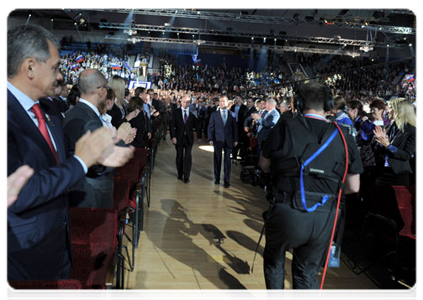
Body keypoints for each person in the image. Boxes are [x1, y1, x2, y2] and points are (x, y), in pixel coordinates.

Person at [5, 24, 132, 281]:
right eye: (54, 68)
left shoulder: (49, 113)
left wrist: (98, 155)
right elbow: (20, 192)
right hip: (21, 260)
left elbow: (58, 171)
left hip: (58, 248)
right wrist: (81, 161)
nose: (61, 76)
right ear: (30, 68)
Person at [259, 82, 363, 300]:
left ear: (296, 103)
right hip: (325, 217)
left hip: (288, 208)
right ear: (328, 105)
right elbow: (354, 187)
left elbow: (264, 165)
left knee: (274, 261)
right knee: (307, 272)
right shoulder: (344, 134)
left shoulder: (285, 125)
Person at [63, 69, 134, 209]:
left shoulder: (79, 112)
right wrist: (121, 138)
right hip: (91, 198)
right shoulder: (85, 118)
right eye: (106, 88)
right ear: (101, 91)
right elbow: (102, 160)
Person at [373, 98, 419, 186]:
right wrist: (379, 143)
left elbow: (406, 155)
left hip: (398, 174)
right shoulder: (386, 128)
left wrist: (388, 145)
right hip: (381, 172)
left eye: (391, 108)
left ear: (399, 111)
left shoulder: (412, 131)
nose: (388, 111)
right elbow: (376, 150)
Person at [208, 95, 239, 188]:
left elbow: (235, 128)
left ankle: (226, 180)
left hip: (228, 140)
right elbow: (210, 128)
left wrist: (236, 139)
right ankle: (217, 178)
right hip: (218, 140)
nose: (222, 103)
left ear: (227, 103)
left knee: (227, 161)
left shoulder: (232, 114)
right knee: (217, 160)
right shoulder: (214, 114)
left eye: (224, 101)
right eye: (220, 101)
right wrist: (210, 139)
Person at [169, 96, 200, 183]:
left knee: (188, 157)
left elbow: (197, 125)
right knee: (179, 156)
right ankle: (180, 173)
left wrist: (199, 136)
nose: (186, 104)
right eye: (184, 102)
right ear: (180, 102)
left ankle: (186, 177)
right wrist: (173, 137)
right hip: (178, 138)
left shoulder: (192, 113)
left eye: (188, 102)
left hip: (189, 139)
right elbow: (171, 125)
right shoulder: (175, 112)